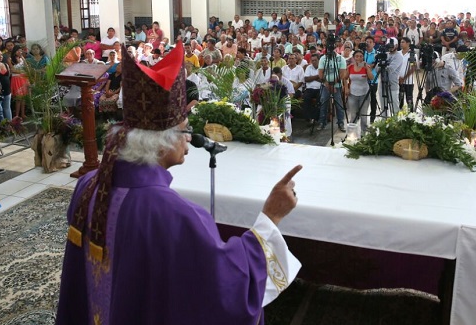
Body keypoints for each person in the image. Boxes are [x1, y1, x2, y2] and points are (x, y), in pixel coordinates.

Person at [55, 43, 301, 325]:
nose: (189, 137)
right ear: (161, 143)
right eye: (184, 129)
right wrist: (271, 217)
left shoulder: (87, 185)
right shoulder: (175, 215)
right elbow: (228, 289)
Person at [318, 39, 348, 132]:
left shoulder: (341, 59)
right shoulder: (323, 58)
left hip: (337, 86)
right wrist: (328, 84)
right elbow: (320, 73)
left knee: (339, 104)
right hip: (325, 85)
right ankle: (322, 122)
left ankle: (340, 123)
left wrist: (333, 84)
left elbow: (342, 74)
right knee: (323, 103)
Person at [346, 50, 373, 133]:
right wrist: (346, 88)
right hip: (352, 94)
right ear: (354, 58)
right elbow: (344, 78)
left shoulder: (366, 67)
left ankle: (363, 133)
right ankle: (351, 134)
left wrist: (367, 68)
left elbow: (371, 78)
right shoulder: (350, 67)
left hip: (364, 94)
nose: (359, 58)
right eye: (357, 56)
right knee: (353, 115)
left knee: (363, 115)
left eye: (361, 56)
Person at [0, 49, 12, 120]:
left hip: (7, 90)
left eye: (1, 55)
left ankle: (10, 123)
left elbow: (8, 76)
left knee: (7, 108)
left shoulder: (5, 64)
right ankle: (0, 125)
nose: (1, 56)